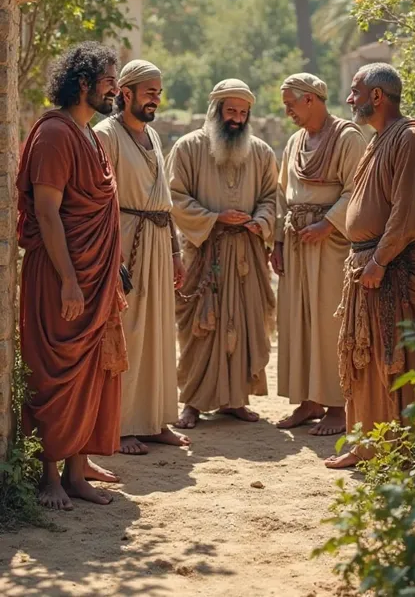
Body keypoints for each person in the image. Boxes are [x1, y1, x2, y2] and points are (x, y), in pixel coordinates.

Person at [17, 42, 128, 510]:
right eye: (108, 81)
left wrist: (111, 268)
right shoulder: (55, 135)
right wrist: (68, 279)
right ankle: (49, 477)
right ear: (82, 83)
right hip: (62, 277)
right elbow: (47, 211)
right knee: (55, 371)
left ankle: (78, 472)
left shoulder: (90, 136)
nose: (115, 90)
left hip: (96, 276)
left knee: (94, 371)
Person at [325, 63, 415, 469]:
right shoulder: (380, 140)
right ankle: (366, 447)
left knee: (397, 361)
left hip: (391, 270)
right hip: (370, 268)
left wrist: (377, 261)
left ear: (377, 96)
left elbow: (407, 215)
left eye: (355, 90)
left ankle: (398, 451)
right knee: (367, 362)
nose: (349, 99)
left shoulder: (409, 139)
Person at [165, 78, 278, 428]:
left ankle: (235, 400)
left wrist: (260, 221)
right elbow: (175, 198)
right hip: (203, 252)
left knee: (245, 325)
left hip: (246, 253)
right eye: (231, 110)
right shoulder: (187, 148)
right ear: (216, 109)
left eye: (243, 113)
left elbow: (272, 197)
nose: (237, 119)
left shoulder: (260, 152)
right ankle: (193, 403)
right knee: (200, 329)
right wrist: (213, 218)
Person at [95, 60, 190, 455]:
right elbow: (100, 203)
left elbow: (163, 205)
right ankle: (122, 425)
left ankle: (154, 421)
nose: (156, 99)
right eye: (150, 91)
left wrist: (175, 253)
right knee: (129, 332)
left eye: (159, 92)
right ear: (126, 93)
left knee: (158, 335)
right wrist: (111, 257)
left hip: (157, 241)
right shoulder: (106, 135)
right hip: (125, 242)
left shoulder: (153, 136)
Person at [272, 73, 366, 436]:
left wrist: (327, 224)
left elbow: (356, 189)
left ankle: (338, 405)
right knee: (299, 321)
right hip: (297, 243)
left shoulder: (347, 137)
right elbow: (283, 194)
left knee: (330, 323)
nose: (288, 112)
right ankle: (308, 400)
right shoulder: (295, 142)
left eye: (290, 104)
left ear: (310, 99)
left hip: (332, 244)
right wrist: (278, 242)